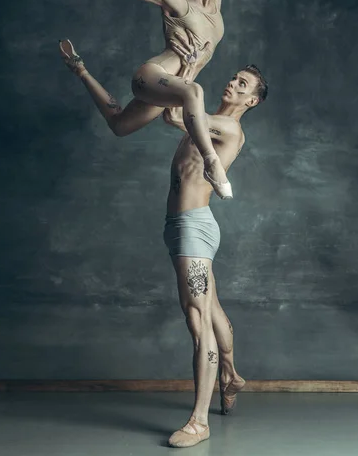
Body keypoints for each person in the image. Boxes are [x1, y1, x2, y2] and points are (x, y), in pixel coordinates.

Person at [55, 0, 267, 199]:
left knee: (120, 125)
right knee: (194, 91)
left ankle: (79, 68)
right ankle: (213, 163)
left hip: (173, 87)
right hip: (154, 76)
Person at [161, 35, 268, 448]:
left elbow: (176, 115)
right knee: (211, 309)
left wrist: (187, 74)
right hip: (178, 226)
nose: (233, 84)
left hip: (193, 228)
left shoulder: (228, 127)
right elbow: (176, 114)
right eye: (234, 78)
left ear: (252, 101)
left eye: (243, 85)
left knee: (197, 318)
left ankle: (199, 421)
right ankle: (232, 375)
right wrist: (187, 69)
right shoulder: (207, 119)